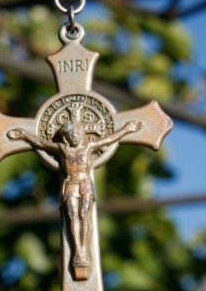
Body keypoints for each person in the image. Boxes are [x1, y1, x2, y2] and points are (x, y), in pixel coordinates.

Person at [8, 118, 142, 277]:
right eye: (71, 134)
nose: (74, 136)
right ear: (66, 137)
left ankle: (84, 250)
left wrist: (127, 129)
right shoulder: (62, 149)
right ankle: (77, 251)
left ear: (82, 134)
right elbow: (41, 143)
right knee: (72, 217)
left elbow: (109, 139)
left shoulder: (89, 147)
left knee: (84, 216)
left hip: (84, 184)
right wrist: (23, 134)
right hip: (70, 184)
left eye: (77, 133)